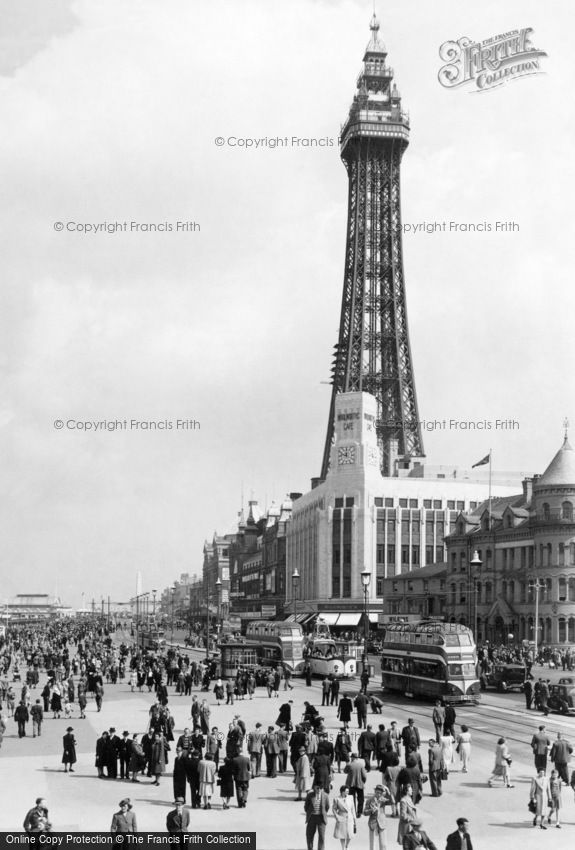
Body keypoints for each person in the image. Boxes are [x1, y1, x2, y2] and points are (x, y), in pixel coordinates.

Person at [304, 781, 331, 850]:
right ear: (314, 788)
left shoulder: (325, 795)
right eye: (317, 788)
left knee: (322, 836)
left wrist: (323, 812)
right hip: (312, 817)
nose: (319, 790)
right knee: (309, 835)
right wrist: (310, 812)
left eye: (321, 788)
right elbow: (306, 807)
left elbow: (327, 807)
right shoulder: (310, 795)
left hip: (321, 818)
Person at [364, 783, 391, 850]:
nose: (378, 794)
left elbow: (392, 801)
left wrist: (388, 791)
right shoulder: (369, 800)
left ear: (382, 793)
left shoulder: (383, 800)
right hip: (373, 823)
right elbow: (365, 812)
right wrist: (371, 810)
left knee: (383, 845)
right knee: (373, 845)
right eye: (377, 792)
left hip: (382, 823)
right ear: (374, 791)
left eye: (380, 793)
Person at [332, 785, 356, 850]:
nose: (347, 793)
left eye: (348, 791)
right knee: (342, 834)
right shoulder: (337, 799)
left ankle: (347, 845)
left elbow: (353, 808)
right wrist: (337, 816)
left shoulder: (351, 797)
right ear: (342, 792)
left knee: (350, 834)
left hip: (350, 817)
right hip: (341, 817)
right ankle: (343, 848)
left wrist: (354, 818)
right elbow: (334, 809)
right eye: (346, 791)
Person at [345, 752, 367, 817]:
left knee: (352, 798)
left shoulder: (349, 765)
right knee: (361, 799)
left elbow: (345, 771)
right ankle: (359, 812)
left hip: (351, 784)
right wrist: (363, 781)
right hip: (360, 784)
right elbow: (364, 776)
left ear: (352, 758)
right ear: (357, 758)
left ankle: (353, 811)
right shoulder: (361, 765)